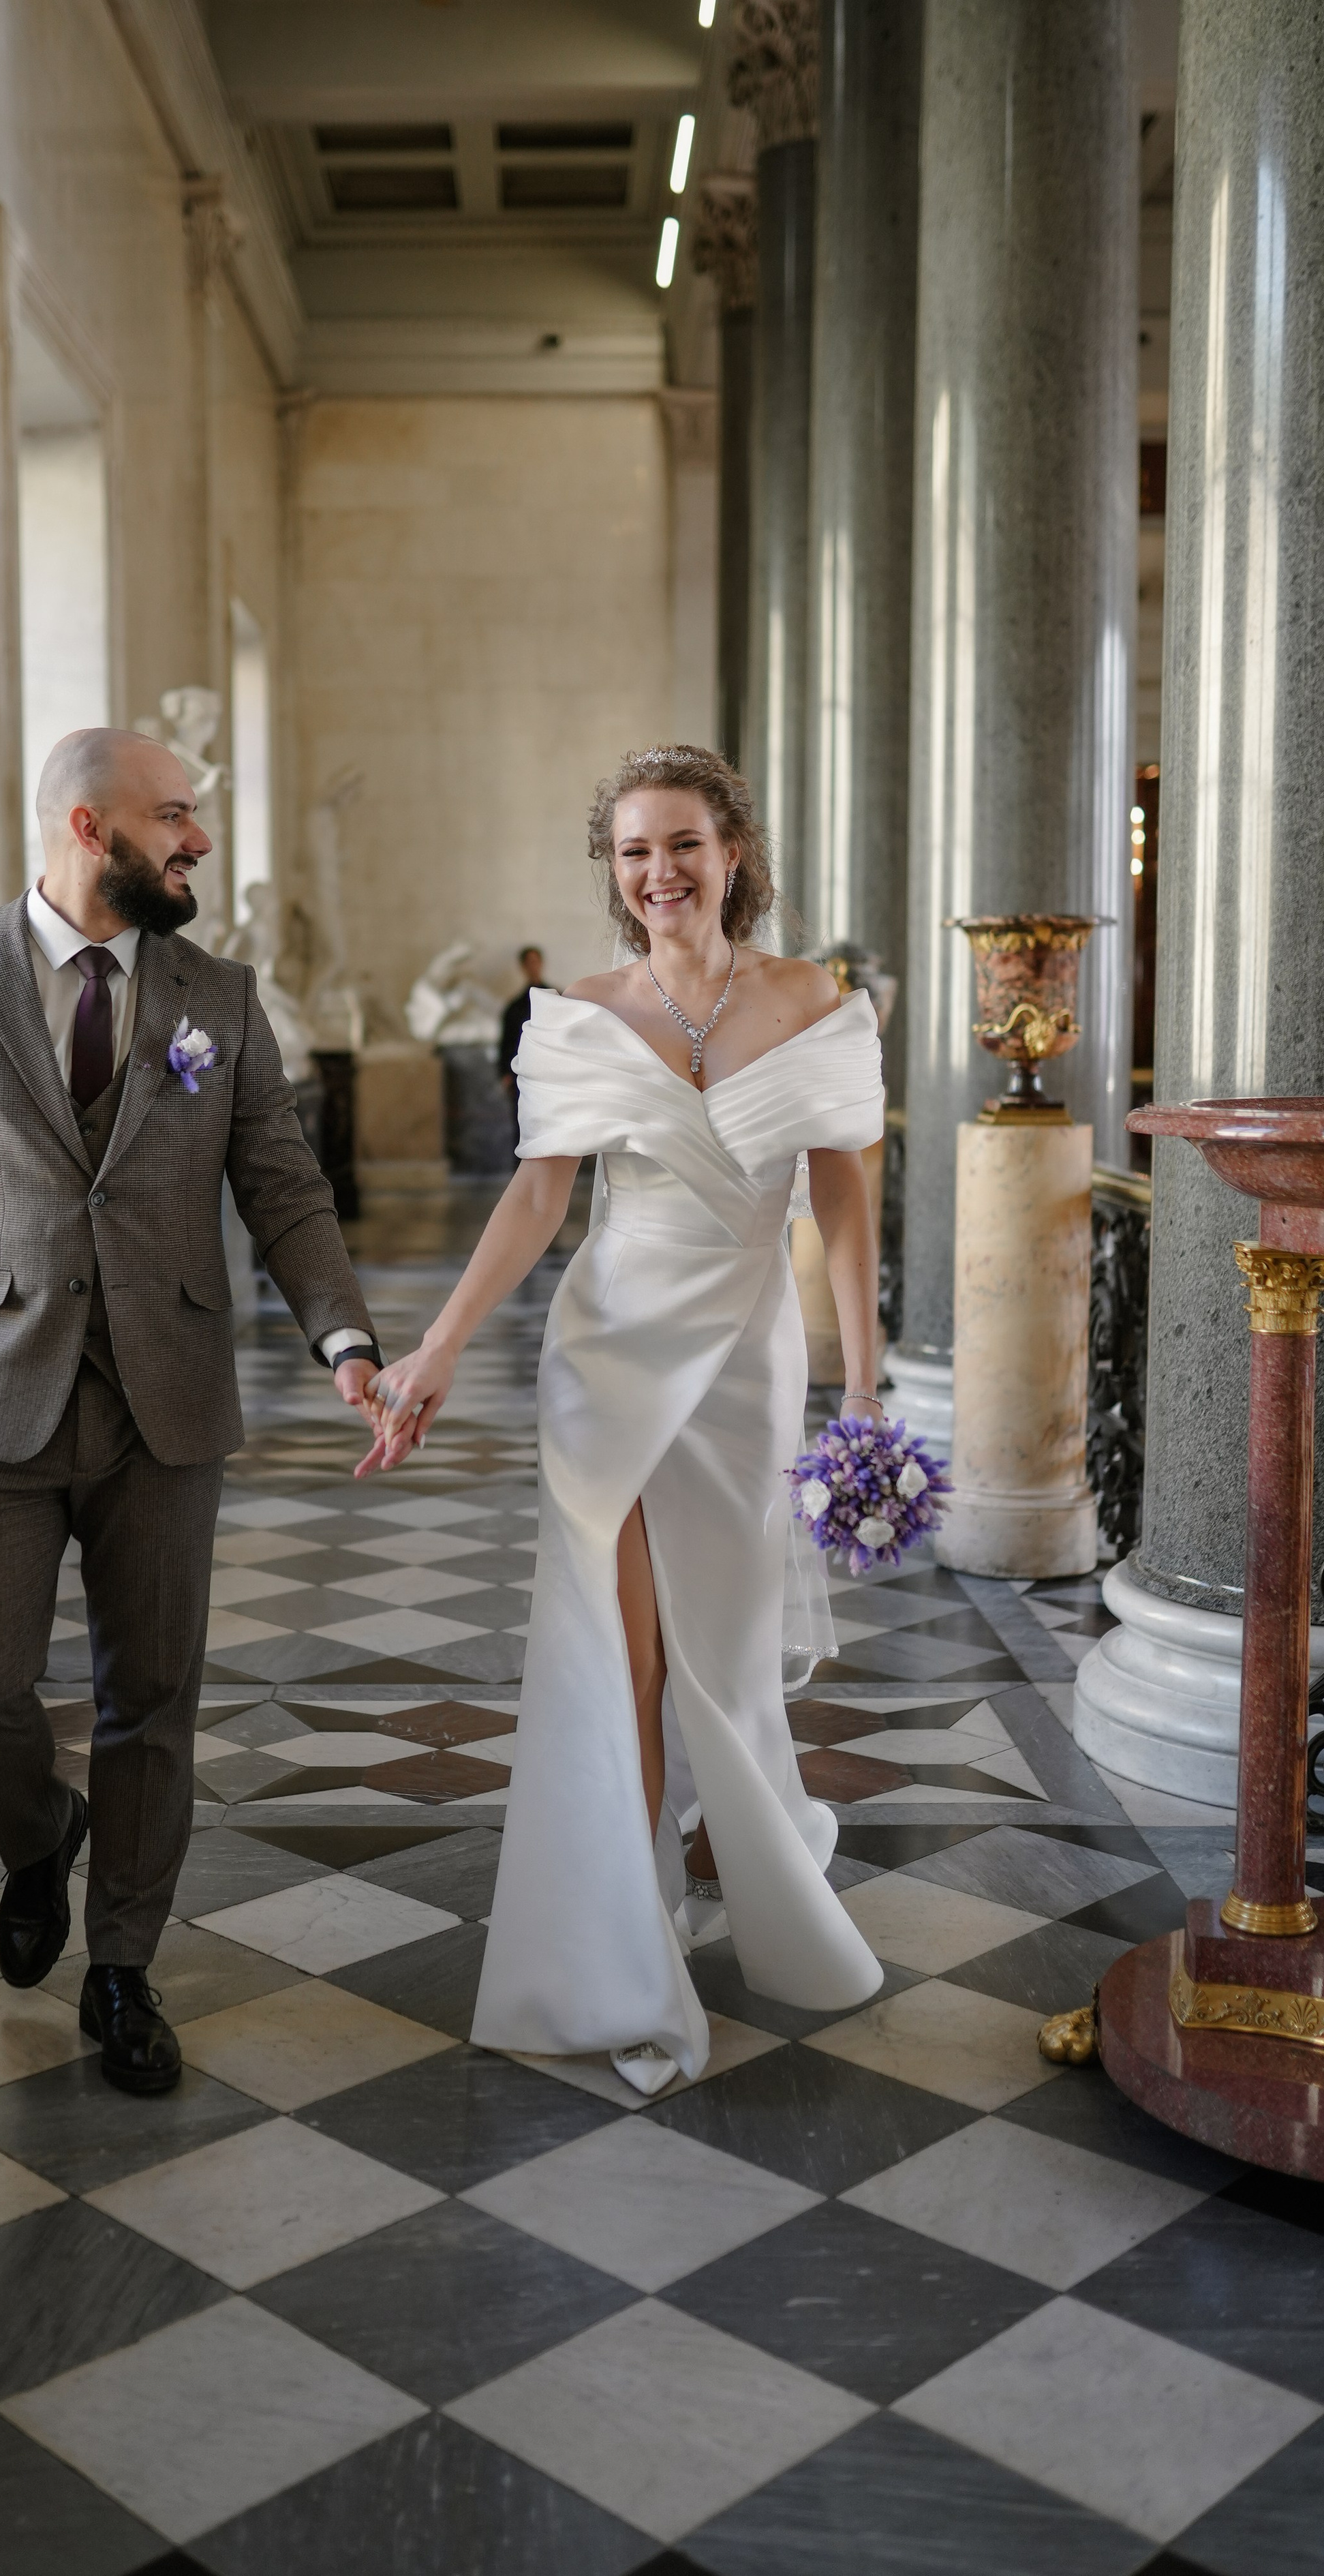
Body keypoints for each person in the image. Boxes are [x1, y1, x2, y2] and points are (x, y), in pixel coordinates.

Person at [0, 729, 382, 2095]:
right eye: (174, 814)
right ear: (90, 825)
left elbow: (282, 1185)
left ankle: (122, 1969)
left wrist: (347, 1338)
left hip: (165, 1397)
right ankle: (37, 1835)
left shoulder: (220, 996)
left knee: (155, 1695)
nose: (196, 840)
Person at [363, 745, 887, 2095]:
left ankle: (738, 1834)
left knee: (727, 1637)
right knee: (625, 1650)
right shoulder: (580, 1013)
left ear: (733, 851)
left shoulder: (813, 1000)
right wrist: (435, 1344)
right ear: (611, 870)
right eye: (631, 852)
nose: (656, 874)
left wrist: (865, 1386)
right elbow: (538, 1201)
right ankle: (628, 1930)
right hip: (604, 1362)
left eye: (680, 845)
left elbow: (841, 1208)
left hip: (745, 1365)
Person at [497, 944, 545, 1098]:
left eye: (536, 962)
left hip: (548, 1071)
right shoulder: (514, 1007)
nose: (534, 967)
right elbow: (507, 1042)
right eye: (530, 963)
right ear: (523, 967)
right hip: (522, 1074)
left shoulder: (555, 999)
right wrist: (506, 1073)